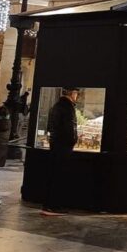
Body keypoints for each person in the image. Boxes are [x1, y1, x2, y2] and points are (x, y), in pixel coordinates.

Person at [42, 87, 79, 216]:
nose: (77, 96)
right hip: (63, 147)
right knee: (60, 176)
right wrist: (73, 141)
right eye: (76, 93)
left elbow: (50, 126)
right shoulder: (68, 108)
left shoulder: (56, 106)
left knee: (53, 174)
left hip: (55, 144)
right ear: (72, 93)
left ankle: (48, 204)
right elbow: (70, 128)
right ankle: (55, 205)